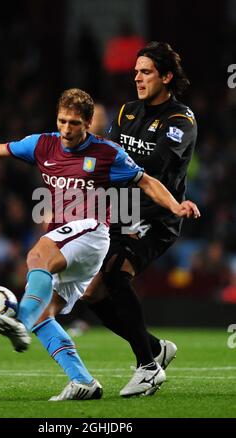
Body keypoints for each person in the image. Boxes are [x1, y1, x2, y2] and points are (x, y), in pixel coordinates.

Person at [0, 88, 200, 400]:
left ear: (87, 123)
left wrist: (175, 206)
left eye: (74, 123)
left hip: (92, 233)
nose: (67, 129)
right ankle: (83, 381)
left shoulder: (106, 154)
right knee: (47, 314)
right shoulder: (41, 144)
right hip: (69, 242)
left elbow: (147, 182)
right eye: (62, 121)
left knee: (37, 254)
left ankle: (20, 319)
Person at [81, 41, 198, 397]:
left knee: (116, 276)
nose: (138, 78)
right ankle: (156, 349)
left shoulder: (181, 120)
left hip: (157, 216)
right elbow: (107, 157)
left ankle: (147, 367)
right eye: (136, 71)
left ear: (166, 76)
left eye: (145, 71)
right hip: (121, 213)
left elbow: (155, 169)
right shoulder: (126, 112)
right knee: (92, 294)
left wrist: (111, 169)